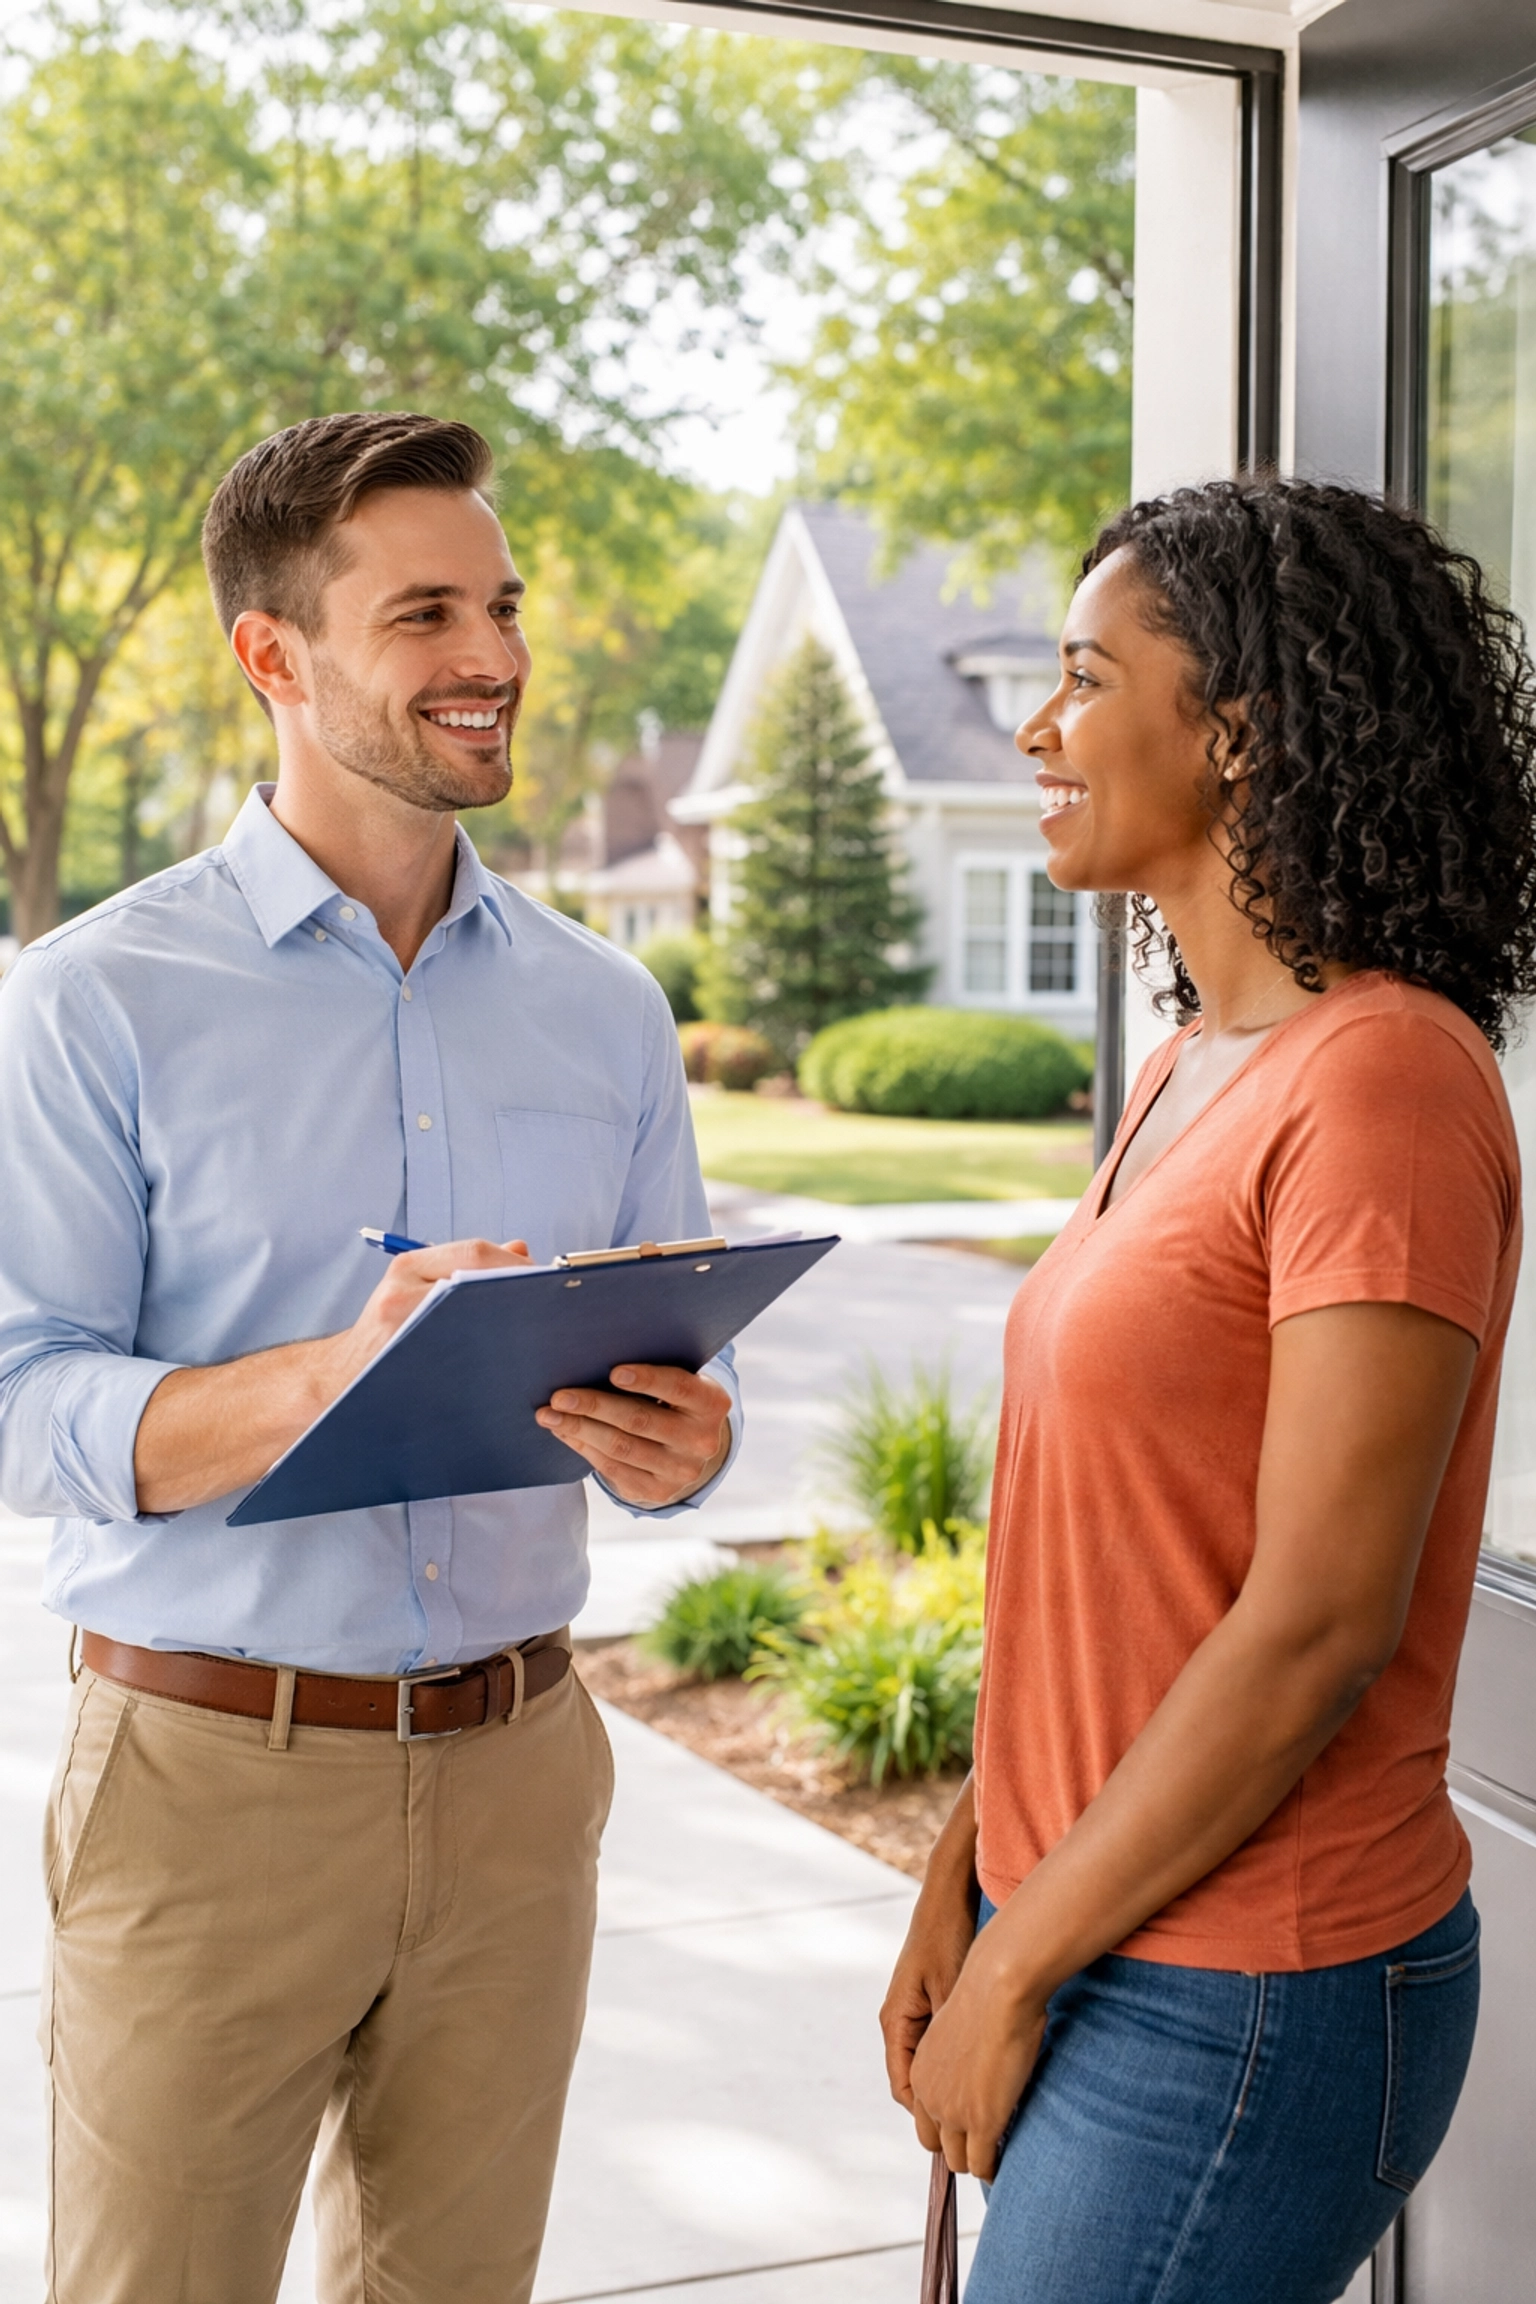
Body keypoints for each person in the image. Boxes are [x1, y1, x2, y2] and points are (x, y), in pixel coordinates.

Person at [0, 410, 739, 2304]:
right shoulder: (96, 1002)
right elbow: (24, 1399)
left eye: (501, 604)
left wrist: (684, 1442)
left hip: (523, 1777)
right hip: (203, 1784)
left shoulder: (607, 1009)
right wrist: (331, 1371)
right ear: (274, 656)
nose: (492, 656)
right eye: (425, 613)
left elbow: (669, 1356)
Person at [881, 477, 1536, 2304]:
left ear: (1234, 735)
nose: (1039, 724)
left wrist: (1017, 1968)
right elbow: (1116, 1569)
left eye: (1086, 676)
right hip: (1093, 1920)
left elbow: (1319, 1622)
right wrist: (976, 1877)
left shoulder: (1388, 1084)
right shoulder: (1191, 1069)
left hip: (1252, 1994)